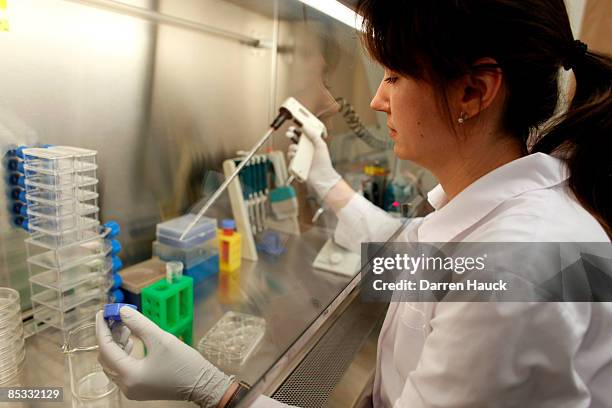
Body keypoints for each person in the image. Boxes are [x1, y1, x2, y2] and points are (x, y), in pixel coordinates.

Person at [96, 0, 612, 406]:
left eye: (393, 77)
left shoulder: (520, 272)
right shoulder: (515, 208)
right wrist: (324, 179)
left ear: (473, 92)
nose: (376, 99)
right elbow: (407, 261)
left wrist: (216, 390)